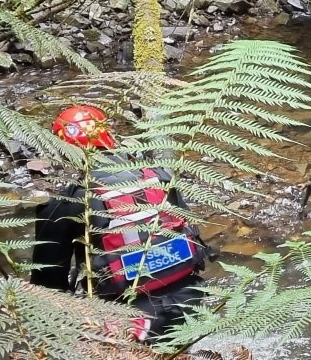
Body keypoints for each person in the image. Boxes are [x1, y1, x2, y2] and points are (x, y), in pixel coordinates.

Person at [30, 104, 209, 340]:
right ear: (110, 137)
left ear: (63, 152)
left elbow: (47, 288)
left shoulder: (66, 203)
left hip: (132, 322)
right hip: (194, 302)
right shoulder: (158, 176)